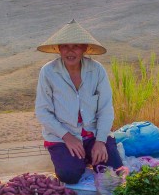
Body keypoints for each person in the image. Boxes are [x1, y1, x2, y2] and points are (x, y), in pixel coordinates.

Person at [35, 19, 123, 184]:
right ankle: (74, 158)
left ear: (84, 49)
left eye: (75, 46)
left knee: (115, 171)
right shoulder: (48, 72)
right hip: (62, 136)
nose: (70, 51)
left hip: (93, 134)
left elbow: (105, 108)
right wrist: (67, 137)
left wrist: (101, 141)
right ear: (59, 49)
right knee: (70, 175)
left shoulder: (96, 70)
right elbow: (42, 111)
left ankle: (88, 154)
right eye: (65, 46)